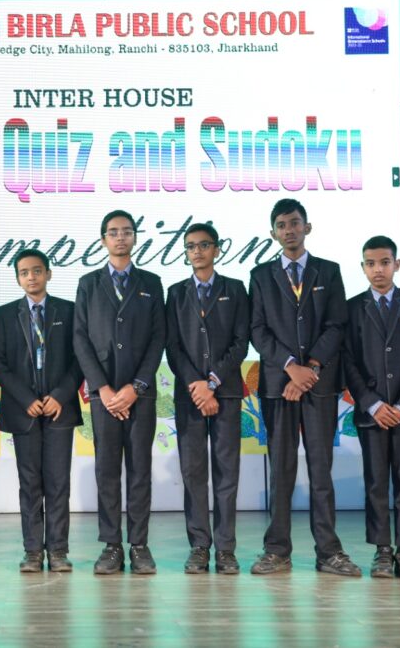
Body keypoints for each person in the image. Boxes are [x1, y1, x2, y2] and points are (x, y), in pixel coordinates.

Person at [248, 198, 361, 577]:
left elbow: (337, 325)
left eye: (295, 223)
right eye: (282, 225)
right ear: (273, 233)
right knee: (281, 470)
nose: (289, 230)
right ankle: (276, 551)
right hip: (279, 385)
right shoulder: (260, 275)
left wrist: (309, 369)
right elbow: (257, 330)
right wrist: (290, 368)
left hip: (319, 384)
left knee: (320, 470)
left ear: (307, 227)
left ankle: (329, 552)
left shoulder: (328, 271)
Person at [73, 210, 166, 575]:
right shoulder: (88, 283)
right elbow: (80, 338)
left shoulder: (151, 282)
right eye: (113, 232)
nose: (120, 237)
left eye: (127, 231)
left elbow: (158, 337)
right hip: (104, 395)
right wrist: (104, 387)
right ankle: (111, 545)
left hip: (140, 394)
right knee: (107, 470)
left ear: (135, 238)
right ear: (103, 240)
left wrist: (136, 386)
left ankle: (139, 544)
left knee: (140, 470)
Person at [343, 235, 400, 579]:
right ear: (363, 267)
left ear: (396, 264)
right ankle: (382, 549)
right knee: (376, 483)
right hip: (373, 413)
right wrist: (373, 403)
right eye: (370, 263)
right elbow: (349, 361)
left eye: (384, 262)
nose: (377, 269)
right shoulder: (353, 307)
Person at [0, 249, 83, 573]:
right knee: (30, 483)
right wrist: (25, 397)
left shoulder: (68, 311)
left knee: (58, 483)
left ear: (48, 274)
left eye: (37, 270)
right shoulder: (4, 314)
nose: (31, 277)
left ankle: (58, 550)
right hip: (23, 411)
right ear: (18, 278)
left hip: (59, 410)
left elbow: (79, 359)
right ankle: (32, 551)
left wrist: (60, 395)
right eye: (24, 272)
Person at [165, 223, 249, 574]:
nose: (197, 251)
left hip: (225, 392)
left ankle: (226, 549)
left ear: (217, 249)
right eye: (190, 246)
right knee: (193, 473)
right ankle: (199, 546)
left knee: (227, 473)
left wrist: (212, 381)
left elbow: (241, 342)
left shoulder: (235, 289)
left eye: (203, 245)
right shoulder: (176, 292)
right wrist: (196, 385)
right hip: (190, 397)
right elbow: (173, 346)